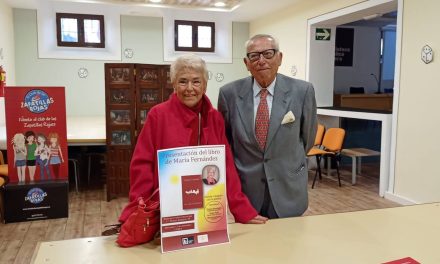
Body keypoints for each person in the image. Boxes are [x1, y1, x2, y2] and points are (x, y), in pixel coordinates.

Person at [119, 54, 267, 225]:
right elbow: (142, 164)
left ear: (205, 85)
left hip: (207, 206)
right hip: (165, 208)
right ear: (173, 84)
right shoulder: (158, 115)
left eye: (196, 81)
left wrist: (241, 208)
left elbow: (225, 165)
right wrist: (140, 206)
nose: (189, 88)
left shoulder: (215, 118)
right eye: (183, 81)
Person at [218, 34, 317, 219]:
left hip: (289, 187)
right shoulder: (228, 94)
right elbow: (227, 141)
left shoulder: (302, 91)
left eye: (268, 54)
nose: (261, 61)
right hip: (248, 190)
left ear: (279, 58)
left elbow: (308, 138)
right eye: (254, 56)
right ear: (247, 63)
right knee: (250, 247)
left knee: (292, 244)